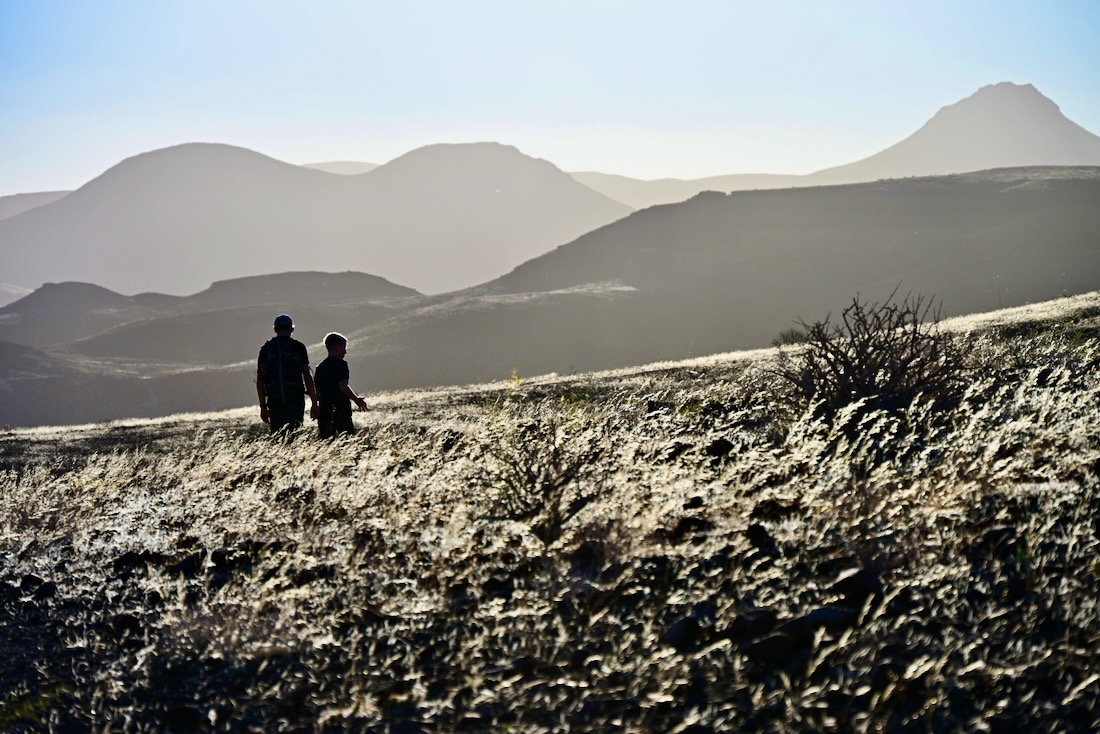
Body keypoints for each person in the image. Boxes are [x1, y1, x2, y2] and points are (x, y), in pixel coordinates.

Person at [256, 314, 319, 433]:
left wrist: (263, 406)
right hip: (295, 399)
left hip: (275, 400)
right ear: (291, 329)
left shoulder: (266, 349)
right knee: (295, 434)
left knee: (278, 438)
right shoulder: (298, 347)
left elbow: (260, 379)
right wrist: (314, 403)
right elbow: (307, 375)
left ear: (275, 329)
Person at [314, 331, 368, 439]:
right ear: (337, 348)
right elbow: (342, 385)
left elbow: (317, 393)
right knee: (348, 440)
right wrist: (356, 399)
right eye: (344, 348)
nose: (345, 352)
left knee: (326, 443)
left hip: (324, 410)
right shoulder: (341, 365)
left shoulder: (319, 368)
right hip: (341, 409)